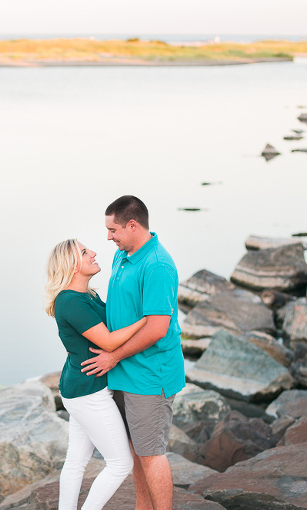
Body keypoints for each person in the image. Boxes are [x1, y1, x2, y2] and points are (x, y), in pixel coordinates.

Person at [81, 195, 186, 510]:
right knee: (134, 451)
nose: (108, 237)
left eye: (113, 230)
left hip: (150, 376)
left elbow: (157, 328)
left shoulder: (157, 265)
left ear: (132, 224)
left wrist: (113, 356)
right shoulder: (122, 256)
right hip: (123, 373)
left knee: (151, 453)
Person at [45, 239, 148, 510]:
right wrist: (148, 319)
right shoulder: (70, 301)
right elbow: (109, 342)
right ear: (71, 265)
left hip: (82, 388)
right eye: (84, 252)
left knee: (76, 460)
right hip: (88, 393)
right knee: (121, 463)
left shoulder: (87, 295)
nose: (93, 252)